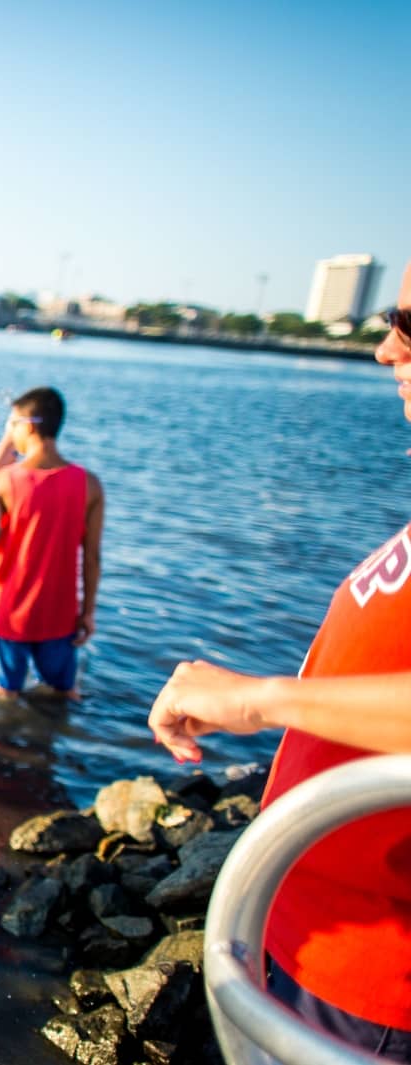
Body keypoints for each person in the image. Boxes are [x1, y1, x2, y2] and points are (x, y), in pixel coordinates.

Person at [148, 261, 411, 1061]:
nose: (385, 349)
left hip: (374, 981)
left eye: (410, 325)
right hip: (311, 941)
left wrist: (261, 699)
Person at [0, 387, 104, 698]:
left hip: (6, 614)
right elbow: (93, 557)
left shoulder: (5, 482)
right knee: (65, 693)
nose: (10, 432)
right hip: (60, 614)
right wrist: (87, 611)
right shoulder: (89, 484)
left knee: (2, 695)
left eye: (12, 424)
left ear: (28, 426)